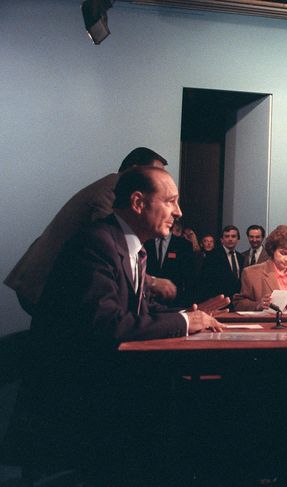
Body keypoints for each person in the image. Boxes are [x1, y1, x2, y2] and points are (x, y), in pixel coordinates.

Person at [5, 166, 228, 481]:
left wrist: (188, 315)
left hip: (100, 379)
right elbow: (108, 322)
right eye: (171, 201)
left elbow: (137, 308)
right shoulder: (97, 243)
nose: (178, 212)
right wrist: (183, 321)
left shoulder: (125, 244)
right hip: (79, 394)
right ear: (138, 202)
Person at [4, 147, 177, 314]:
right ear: (134, 170)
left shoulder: (110, 186)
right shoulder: (114, 190)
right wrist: (152, 282)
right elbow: (113, 249)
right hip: (42, 280)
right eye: (155, 174)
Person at [233, 225, 287, 311]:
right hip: (267, 325)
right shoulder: (251, 273)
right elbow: (239, 304)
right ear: (273, 250)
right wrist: (258, 305)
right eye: (283, 253)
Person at [144, 224, 195, 307]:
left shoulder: (184, 245)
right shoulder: (146, 242)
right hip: (148, 300)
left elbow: (189, 278)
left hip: (174, 302)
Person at [198, 225, 244, 303]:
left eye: (233, 236)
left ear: (238, 240)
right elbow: (206, 282)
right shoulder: (212, 256)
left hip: (237, 302)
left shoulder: (241, 257)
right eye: (227, 236)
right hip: (219, 302)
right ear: (222, 240)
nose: (230, 239)